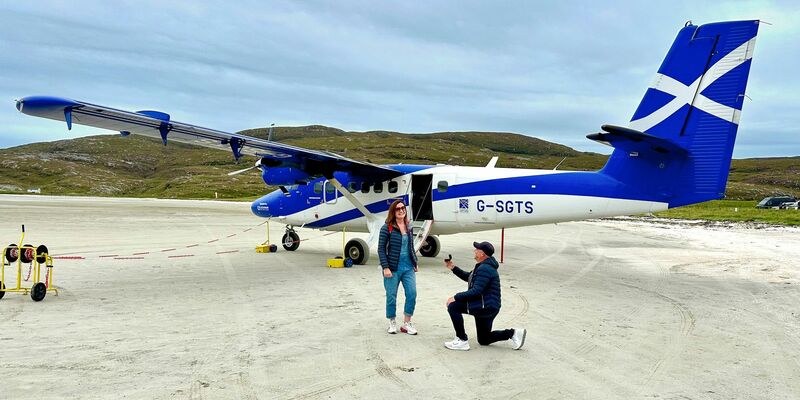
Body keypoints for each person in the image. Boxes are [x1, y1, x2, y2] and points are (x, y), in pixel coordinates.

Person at [443, 241, 526, 351]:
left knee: (453, 306)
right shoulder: (484, 266)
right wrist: (453, 268)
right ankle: (513, 333)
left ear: (482, 254)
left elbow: (476, 291)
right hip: (489, 306)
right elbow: (470, 277)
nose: (474, 251)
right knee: (484, 339)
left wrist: (456, 297)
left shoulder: (485, 268)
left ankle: (462, 340)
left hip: (485, 305)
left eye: (476, 250)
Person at [378, 199, 418, 335]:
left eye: (403, 208)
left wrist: (415, 262)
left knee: (412, 293)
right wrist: (385, 267)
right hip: (392, 267)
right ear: (393, 211)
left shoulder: (409, 226)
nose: (401, 210)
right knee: (391, 296)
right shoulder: (387, 227)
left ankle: (407, 323)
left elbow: (411, 246)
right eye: (398, 209)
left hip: (408, 267)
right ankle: (392, 322)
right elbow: (381, 249)